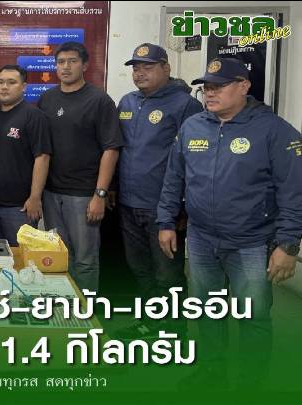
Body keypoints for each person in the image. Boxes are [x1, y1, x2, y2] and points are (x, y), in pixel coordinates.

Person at [157, 57, 302, 389]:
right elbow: (173, 178)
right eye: (207, 87)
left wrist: (288, 244)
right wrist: (165, 221)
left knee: (253, 315)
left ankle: (251, 383)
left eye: (219, 87)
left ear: (244, 86)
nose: (210, 93)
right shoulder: (193, 127)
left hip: (251, 242)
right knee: (207, 310)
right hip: (201, 239)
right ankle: (213, 372)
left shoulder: (275, 131)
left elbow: (294, 191)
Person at [112, 43, 203, 339]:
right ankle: (150, 323)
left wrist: (183, 208)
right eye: (136, 68)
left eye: (148, 67)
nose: (140, 73)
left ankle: (174, 330)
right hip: (128, 203)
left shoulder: (185, 105)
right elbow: (118, 150)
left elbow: (194, 160)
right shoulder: (127, 102)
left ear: (166, 68)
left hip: (164, 208)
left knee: (168, 274)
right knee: (140, 269)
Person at [38, 42, 123, 291]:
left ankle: (85, 310)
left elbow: (111, 149)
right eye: (61, 62)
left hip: (84, 195)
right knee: (59, 257)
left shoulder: (99, 100)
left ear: (85, 65)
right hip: (51, 194)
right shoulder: (47, 99)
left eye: (72, 61)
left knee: (85, 260)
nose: (66, 67)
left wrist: (100, 194)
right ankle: (64, 306)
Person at [0, 65, 51, 246]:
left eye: (11, 82)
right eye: (0, 82)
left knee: (22, 258)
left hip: (20, 208)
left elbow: (42, 157)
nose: (4, 87)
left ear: (24, 87)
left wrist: (35, 197)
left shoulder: (34, 116)